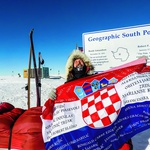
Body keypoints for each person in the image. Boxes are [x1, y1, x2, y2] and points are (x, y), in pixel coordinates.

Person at [49, 49, 133, 150]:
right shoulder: (67, 87)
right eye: (75, 61)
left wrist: (136, 67)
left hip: (97, 117)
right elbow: (60, 108)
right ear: (71, 66)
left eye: (81, 60)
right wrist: (53, 97)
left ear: (86, 64)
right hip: (79, 124)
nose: (78, 62)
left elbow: (114, 83)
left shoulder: (95, 79)